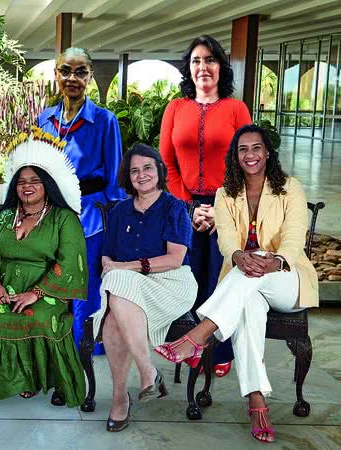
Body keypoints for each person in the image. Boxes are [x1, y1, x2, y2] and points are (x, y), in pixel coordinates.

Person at [155, 125, 318, 444]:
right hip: (247, 280)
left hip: (286, 278)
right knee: (245, 311)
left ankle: (199, 335)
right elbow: (227, 239)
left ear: (267, 152)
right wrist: (239, 255)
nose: (250, 155)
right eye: (243, 149)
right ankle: (257, 403)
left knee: (245, 278)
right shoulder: (225, 193)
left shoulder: (290, 188)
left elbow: (296, 236)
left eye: (256, 148)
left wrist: (274, 260)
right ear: (236, 156)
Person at [0, 129, 87, 408]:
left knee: (35, 318)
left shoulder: (64, 219)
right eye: (21, 182)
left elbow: (69, 263)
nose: (27, 186)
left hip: (46, 289)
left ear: (48, 185)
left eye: (35, 181)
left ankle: (29, 379)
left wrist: (36, 293)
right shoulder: (3, 217)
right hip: (3, 284)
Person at [159, 35, 252, 376]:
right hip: (183, 206)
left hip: (226, 204)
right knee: (189, 278)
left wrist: (219, 207)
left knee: (221, 278)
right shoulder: (175, 108)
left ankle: (221, 349)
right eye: (196, 61)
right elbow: (166, 163)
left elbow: (248, 160)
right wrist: (189, 206)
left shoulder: (235, 109)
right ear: (189, 68)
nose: (203, 67)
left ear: (220, 67)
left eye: (210, 60)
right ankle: (190, 343)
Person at [90, 144, 198, 432]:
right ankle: (139, 379)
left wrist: (127, 267)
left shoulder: (174, 208)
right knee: (113, 313)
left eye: (148, 167)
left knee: (116, 281)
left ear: (159, 171)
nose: (141, 175)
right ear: (128, 176)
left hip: (170, 283)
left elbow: (175, 259)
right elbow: (106, 256)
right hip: (127, 286)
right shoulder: (120, 211)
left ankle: (129, 389)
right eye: (134, 170)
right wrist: (119, 269)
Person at [36, 47, 124, 356]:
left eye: (80, 71)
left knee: (86, 285)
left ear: (89, 75)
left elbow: (114, 177)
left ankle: (83, 347)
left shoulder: (105, 120)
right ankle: (53, 348)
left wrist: (115, 221)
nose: (72, 78)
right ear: (56, 74)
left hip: (91, 215)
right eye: (65, 71)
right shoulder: (44, 119)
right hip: (51, 215)